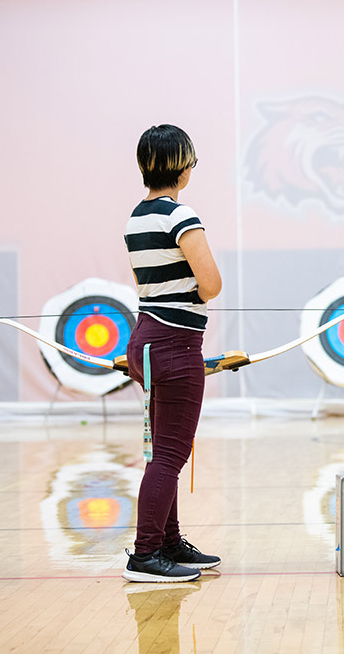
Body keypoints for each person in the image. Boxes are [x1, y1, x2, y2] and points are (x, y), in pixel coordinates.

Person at [121, 124, 223, 583]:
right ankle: (145, 553)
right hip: (176, 346)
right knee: (169, 455)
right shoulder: (180, 216)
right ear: (181, 167)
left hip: (146, 340)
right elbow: (211, 285)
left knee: (163, 452)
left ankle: (167, 541)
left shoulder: (136, 218)